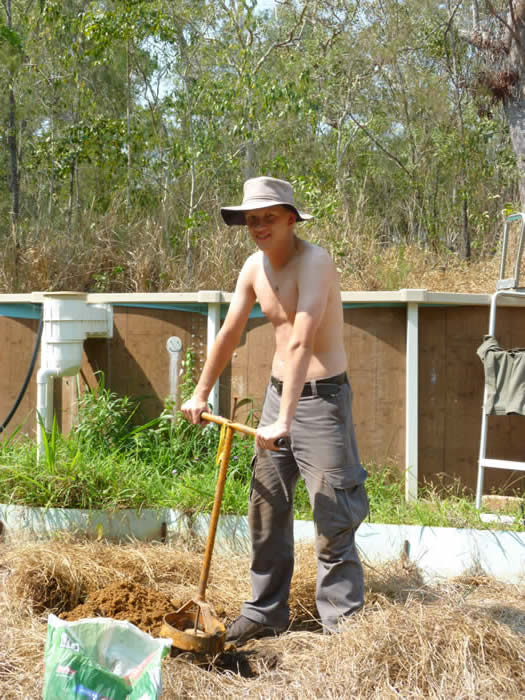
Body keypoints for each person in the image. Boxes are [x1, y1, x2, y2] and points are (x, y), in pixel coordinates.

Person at [181, 176, 368, 646]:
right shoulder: (253, 268)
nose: (259, 226)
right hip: (277, 396)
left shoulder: (316, 263)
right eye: (251, 219)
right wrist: (201, 392)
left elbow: (304, 338)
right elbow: (229, 333)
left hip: (321, 401)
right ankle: (265, 612)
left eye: (268, 217)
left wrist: (285, 420)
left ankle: (343, 632)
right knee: (266, 505)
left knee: (333, 514)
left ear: (290, 218)